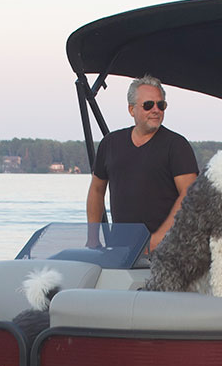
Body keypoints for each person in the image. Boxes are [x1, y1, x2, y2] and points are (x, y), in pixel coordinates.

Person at [85, 76, 198, 254]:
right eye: (148, 105)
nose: (156, 110)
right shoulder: (110, 143)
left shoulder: (177, 145)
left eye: (161, 105)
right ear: (131, 109)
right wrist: (92, 239)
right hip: (120, 250)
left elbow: (190, 195)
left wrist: (157, 240)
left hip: (168, 252)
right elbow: (97, 189)